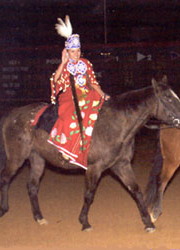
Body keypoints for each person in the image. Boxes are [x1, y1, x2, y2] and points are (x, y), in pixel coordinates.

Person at [48, 15, 110, 169]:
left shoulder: (86, 63)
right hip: (69, 96)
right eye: (73, 51)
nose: (76, 54)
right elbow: (55, 81)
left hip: (86, 93)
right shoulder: (65, 65)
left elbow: (94, 83)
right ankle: (68, 148)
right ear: (67, 52)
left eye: (78, 51)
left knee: (102, 109)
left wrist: (103, 94)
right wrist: (62, 64)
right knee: (70, 116)